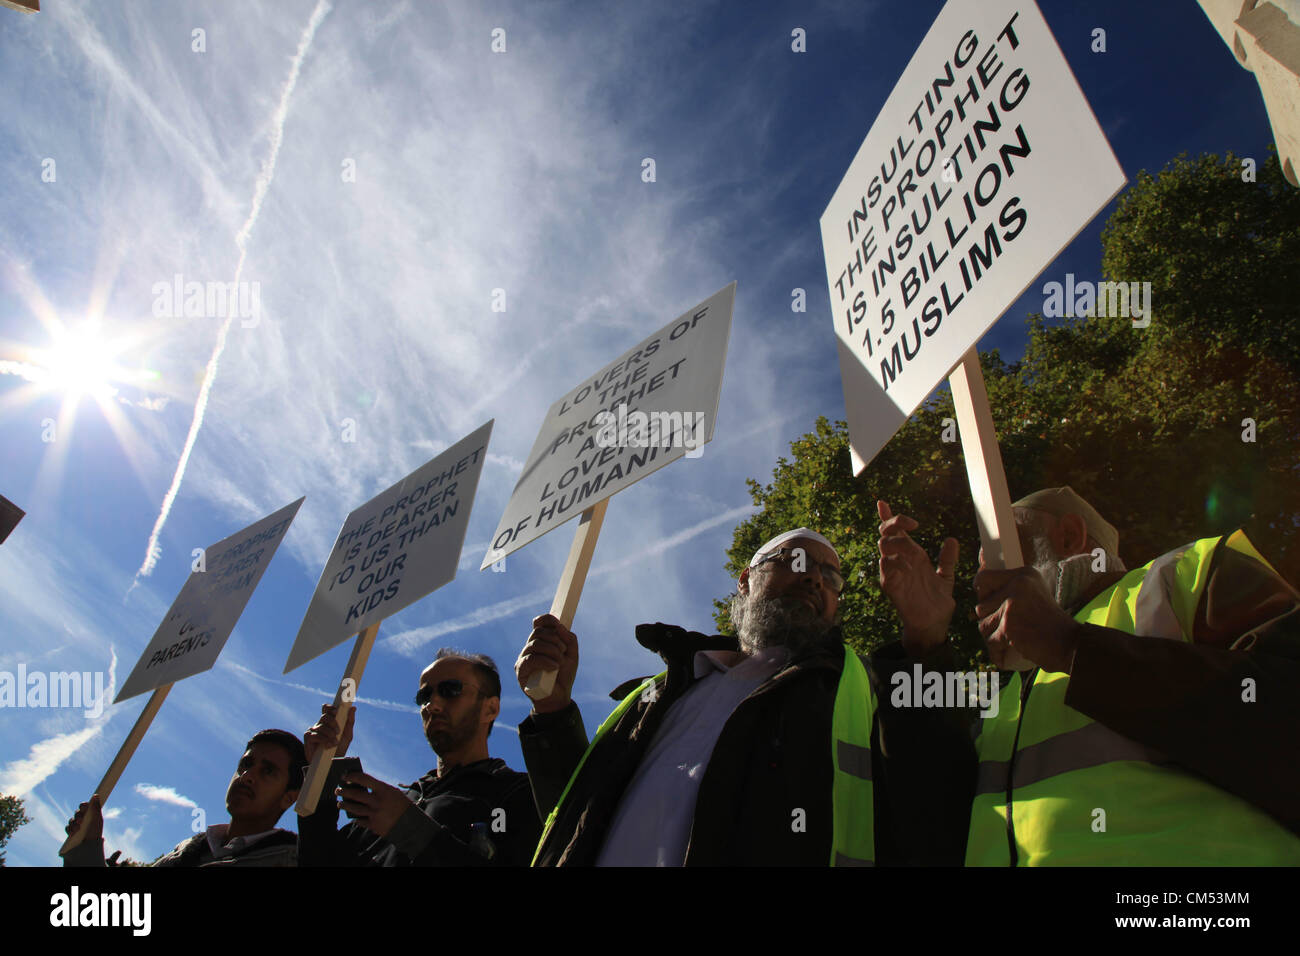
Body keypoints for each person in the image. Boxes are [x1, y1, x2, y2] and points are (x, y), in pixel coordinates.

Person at [878, 487, 1300, 865]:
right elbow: (934, 827)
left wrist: (1072, 646)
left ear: (1068, 536)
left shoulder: (1188, 573)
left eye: (1003, 553)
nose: (981, 580)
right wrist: (924, 645)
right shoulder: (1012, 692)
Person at [516, 527, 975, 866]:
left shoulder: (863, 686)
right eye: (797, 561)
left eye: (832, 577)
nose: (816, 579)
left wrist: (927, 643)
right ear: (745, 579)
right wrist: (552, 710)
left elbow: (937, 794)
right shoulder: (654, 694)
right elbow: (572, 815)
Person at [297, 648, 539, 866]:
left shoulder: (519, 794)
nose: (432, 704)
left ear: (491, 708)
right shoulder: (389, 805)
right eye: (424, 696)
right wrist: (321, 772)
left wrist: (408, 828)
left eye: (450, 690)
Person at [62, 729, 306, 867]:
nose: (248, 776)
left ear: (289, 797)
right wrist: (86, 845)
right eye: (245, 764)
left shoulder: (293, 861)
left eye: (268, 771)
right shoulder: (184, 852)